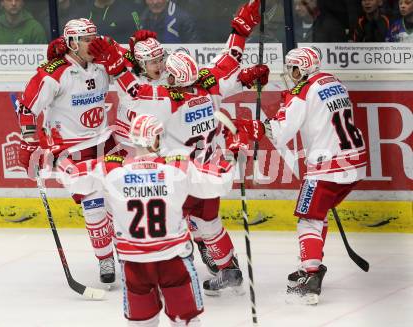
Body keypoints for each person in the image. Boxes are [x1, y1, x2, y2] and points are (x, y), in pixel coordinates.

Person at [99, 0, 268, 295]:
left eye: (164, 62)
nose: (161, 67)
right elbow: (229, 59)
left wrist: (115, 67)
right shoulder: (208, 85)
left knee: (172, 226)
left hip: (181, 175)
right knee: (210, 223)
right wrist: (240, 30)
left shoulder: (163, 98)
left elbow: (133, 92)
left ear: (175, 76)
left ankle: (175, 275)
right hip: (213, 171)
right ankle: (229, 269)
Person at [61, 113, 238, 326]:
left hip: (134, 264)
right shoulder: (177, 167)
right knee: (185, 320)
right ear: (155, 139)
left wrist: (57, 157)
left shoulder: (111, 169)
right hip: (173, 259)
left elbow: (72, 178)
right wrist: (234, 149)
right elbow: (221, 181)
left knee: (141, 323)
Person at [224, 47, 367, 304]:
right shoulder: (334, 81)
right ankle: (307, 265)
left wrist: (258, 126)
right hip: (355, 163)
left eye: (291, 68)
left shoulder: (302, 91)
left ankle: (311, 276)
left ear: (300, 68)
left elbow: (281, 132)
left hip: (328, 166)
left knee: (308, 219)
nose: (289, 74)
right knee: (318, 214)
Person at [16, 18, 125, 284]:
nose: (93, 43)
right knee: (94, 205)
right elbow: (27, 107)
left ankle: (127, 251)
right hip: (70, 149)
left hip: (106, 142)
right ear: (72, 43)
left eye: (94, 37)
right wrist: (29, 142)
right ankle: (105, 259)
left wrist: (117, 51)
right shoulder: (54, 73)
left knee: (121, 200)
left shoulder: (101, 64)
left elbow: (133, 71)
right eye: (86, 39)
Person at [78, 0, 144, 43]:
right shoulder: (80, 12)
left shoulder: (130, 11)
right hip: (88, 61)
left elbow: (137, 43)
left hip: (119, 59)